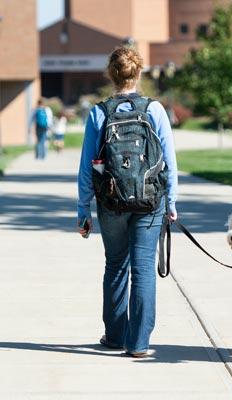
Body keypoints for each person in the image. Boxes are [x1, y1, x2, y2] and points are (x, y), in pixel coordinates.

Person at [77, 45, 178, 357]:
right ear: (139, 73)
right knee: (144, 267)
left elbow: (86, 166)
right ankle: (139, 343)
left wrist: (83, 209)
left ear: (111, 74)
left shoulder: (99, 112)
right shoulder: (154, 110)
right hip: (150, 202)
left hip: (111, 202)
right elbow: (170, 161)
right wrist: (171, 202)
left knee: (116, 264)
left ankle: (116, 335)